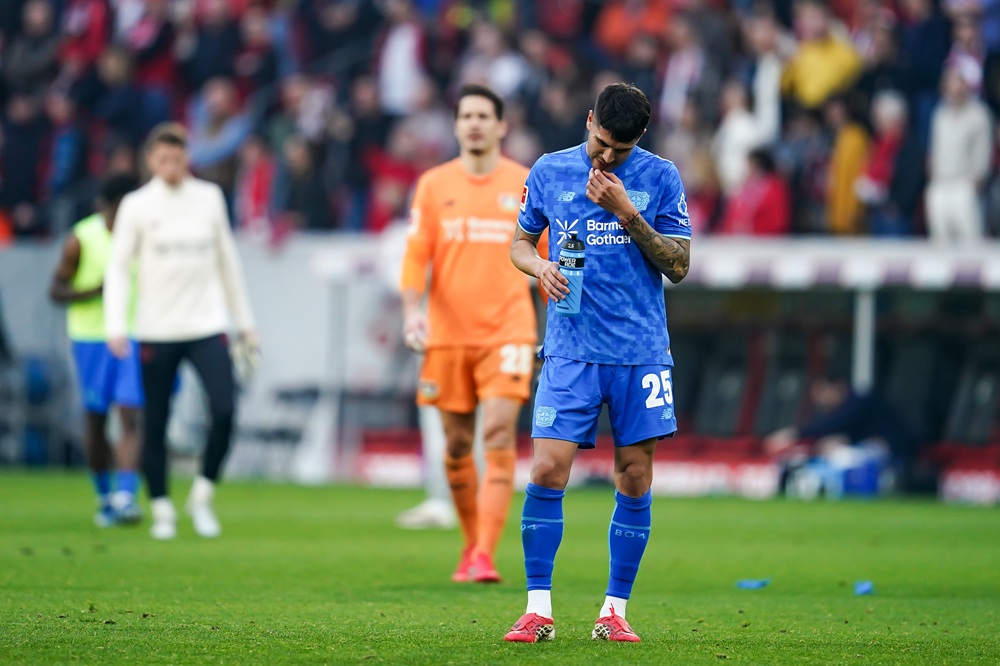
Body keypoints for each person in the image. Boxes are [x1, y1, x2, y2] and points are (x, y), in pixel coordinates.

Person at [505, 83, 691, 644]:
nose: (607, 156)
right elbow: (519, 243)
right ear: (589, 120)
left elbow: (679, 265)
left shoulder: (661, 177)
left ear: (641, 139)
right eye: (602, 142)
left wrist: (627, 212)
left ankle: (614, 611)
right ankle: (538, 610)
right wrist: (539, 268)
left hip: (640, 353)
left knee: (634, 476)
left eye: (621, 149)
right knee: (546, 470)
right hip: (570, 349)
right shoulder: (549, 170)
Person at [399, 84, 541, 582]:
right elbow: (416, 254)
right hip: (447, 335)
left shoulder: (525, 183)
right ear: (457, 126)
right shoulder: (433, 184)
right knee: (458, 445)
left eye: (484, 116)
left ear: (502, 126)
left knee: (498, 433)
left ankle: (484, 553)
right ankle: (470, 543)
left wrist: (561, 324)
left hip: (508, 331)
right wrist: (411, 311)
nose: (475, 124)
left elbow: (546, 259)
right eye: (466, 116)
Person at [103, 123, 257, 540]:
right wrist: (116, 325)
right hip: (157, 328)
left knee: (224, 409)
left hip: (207, 324)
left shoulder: (209, 198)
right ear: (150, 161)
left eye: (177, 157)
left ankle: (202, 495)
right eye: (163, 159)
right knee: (155, 421)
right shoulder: (137, 205)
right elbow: (118, 268)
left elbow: (228, 261)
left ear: (188, 157)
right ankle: (162, 508)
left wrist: (245, 323)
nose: (170, 166)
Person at [49, 172, 144, 527]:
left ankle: (126, 497)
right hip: (90, 338)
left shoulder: (144, 238)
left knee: (130, 414)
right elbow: (55, 290)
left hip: (133, 334)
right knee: (96, 419)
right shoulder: (82, 238)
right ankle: (104, 497)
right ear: (106, 206)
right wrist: (94, 292)